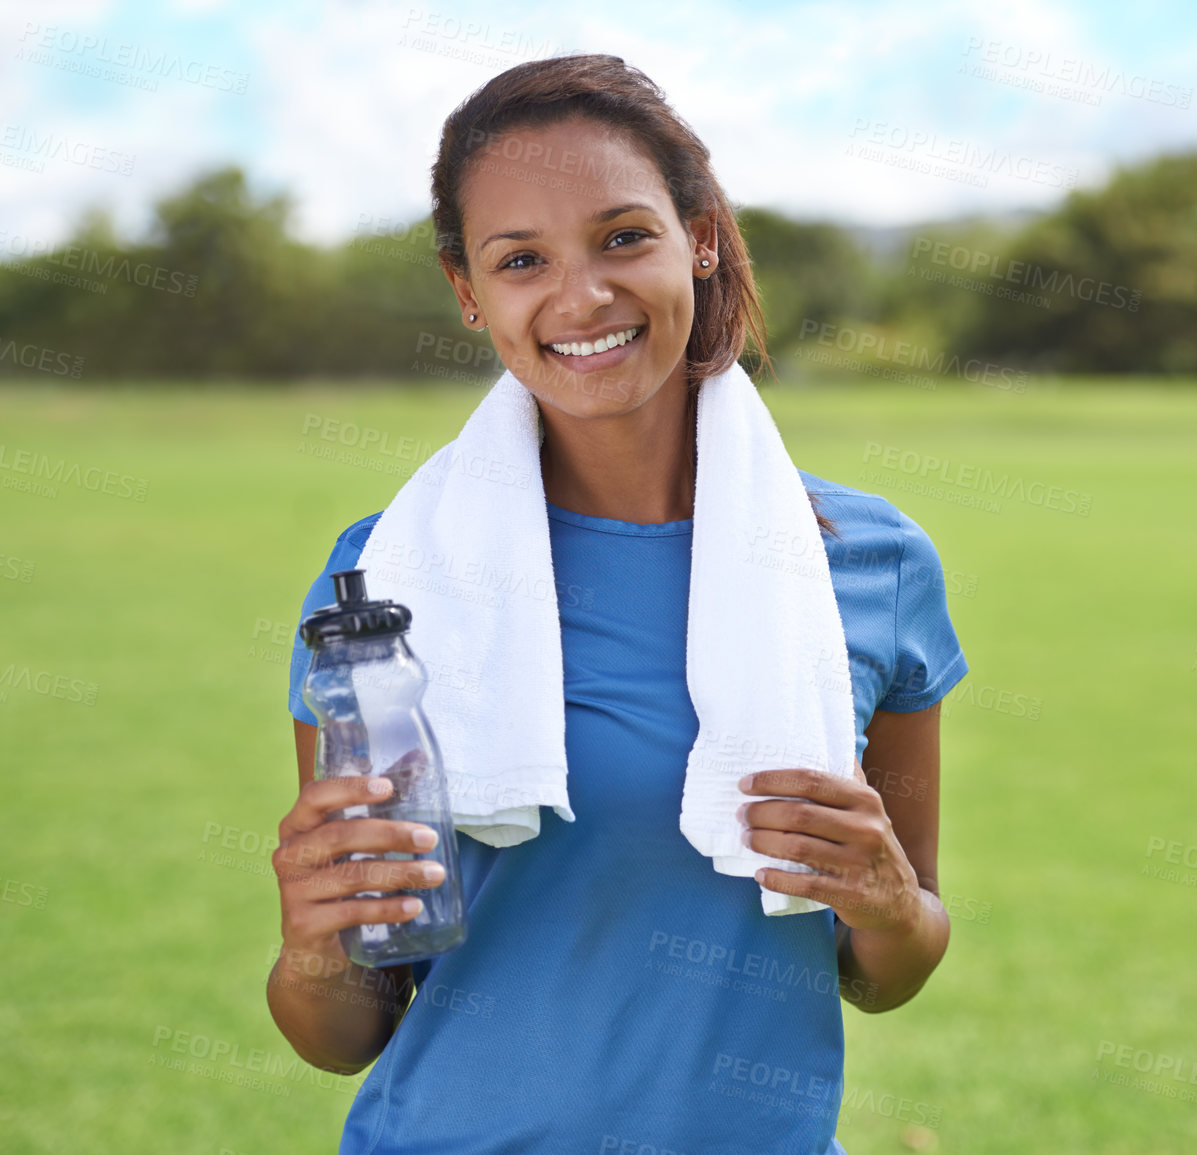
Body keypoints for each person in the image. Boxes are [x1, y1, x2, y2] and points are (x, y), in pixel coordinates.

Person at [265, 54, 969, 1154]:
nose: (582, 296)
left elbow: (888, 971)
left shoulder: (872, 565)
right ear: (469, 293)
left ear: (699, 236)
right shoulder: (384, 588)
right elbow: (341, 1033)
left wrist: (887, 903)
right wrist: (313, 941)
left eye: (623, 237)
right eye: (521, 259)